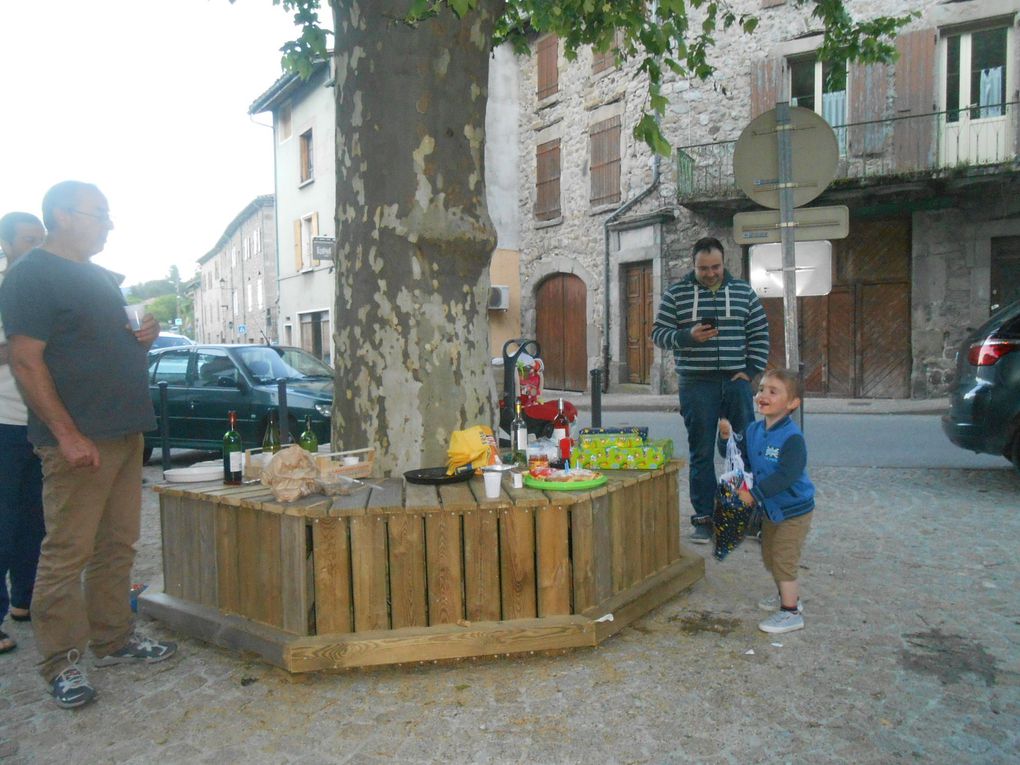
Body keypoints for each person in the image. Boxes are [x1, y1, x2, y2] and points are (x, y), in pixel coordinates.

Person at [0, 181, 176, 709]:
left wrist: (145, 331)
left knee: (117, 546)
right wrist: (67, 434)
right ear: (62, 215)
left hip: (125, 431)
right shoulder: (30, 275)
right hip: (79, 439)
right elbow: (27, 361)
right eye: (98, 212)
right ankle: (61, 664)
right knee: (66, 552)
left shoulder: (99, 276)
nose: (108, 222)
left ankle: (114, 638)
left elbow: (109, 340)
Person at [651, 236, 770, 543]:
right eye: (704, 268)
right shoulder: (676, 294)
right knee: (701, 453)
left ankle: (746, 516)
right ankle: (703, 519)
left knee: (745, 452)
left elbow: (760, 332)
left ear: (723, 263)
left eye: (716, 266)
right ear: (694, 265)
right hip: (696, 383)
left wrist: (752, 371)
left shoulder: (743, 291)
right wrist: (687, 337)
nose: (711, 273)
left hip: (736, 382)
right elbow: (658, 334)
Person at [719, 368, 815, 634]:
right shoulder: (754, 430)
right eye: (761, 389)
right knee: (770, 556)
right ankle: (787, 594)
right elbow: (742, 459)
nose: (763, 395)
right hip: (771, 509)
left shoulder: (792, 438)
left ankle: (790, 612)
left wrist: (754, 495)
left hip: (794, 510)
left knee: (783, 559)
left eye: (773, 391)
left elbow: (787, 475)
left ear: (793, 404)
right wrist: (725, 439)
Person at [0, 212, 47, 655]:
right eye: (29, 240)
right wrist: (24, 347)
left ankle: (24, 601)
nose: (38, 247)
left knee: (36, 521)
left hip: (40, 426)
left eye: (42, 239)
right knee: (3, 522)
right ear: (7, 245)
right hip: (3, 424)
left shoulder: (40, 292)